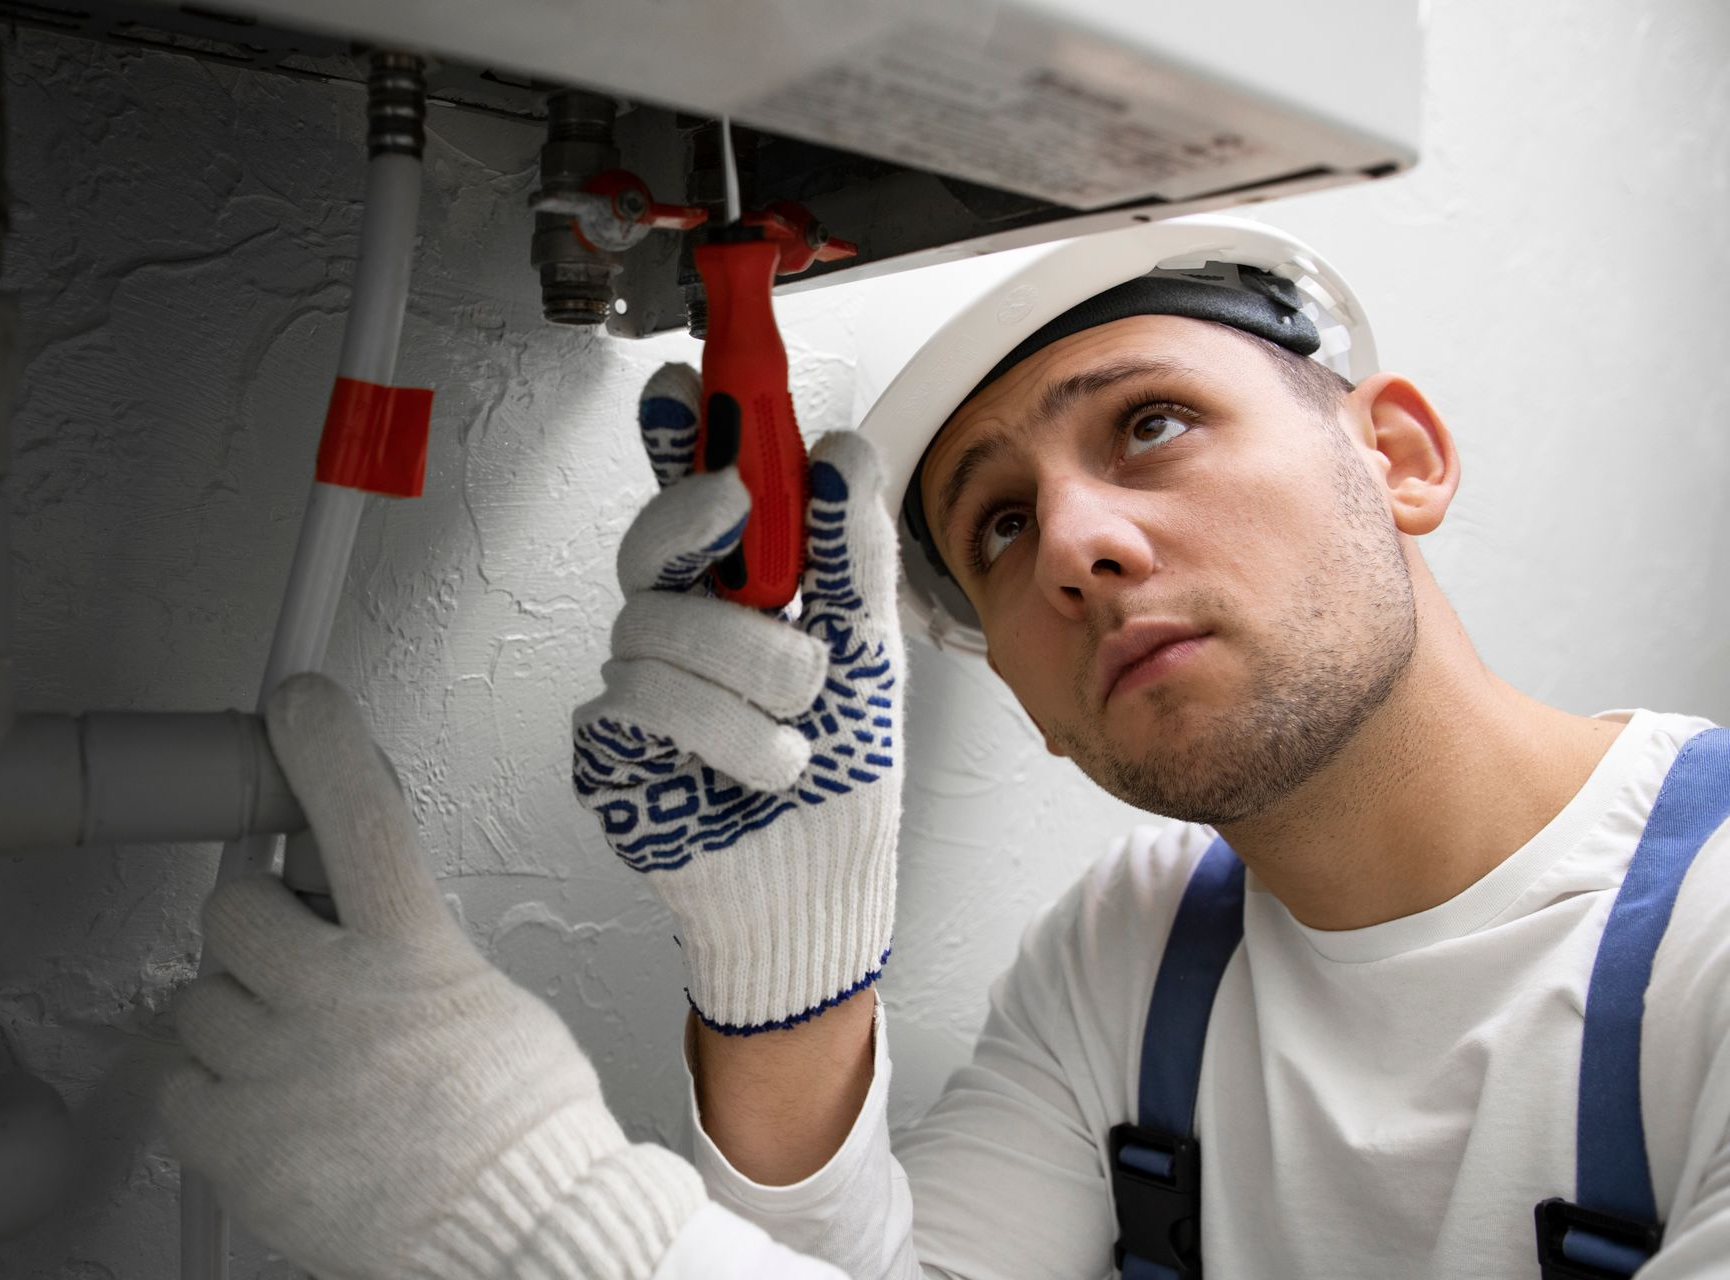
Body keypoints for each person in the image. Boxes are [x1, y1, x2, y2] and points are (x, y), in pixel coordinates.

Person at [160, 215, 1730, 1279]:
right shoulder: (1134, 953)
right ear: (1034, 710)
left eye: (1152, 423)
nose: (1076, 546)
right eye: (997, 523)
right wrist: (788, 974)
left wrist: (537, 1211)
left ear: (1395, 457)